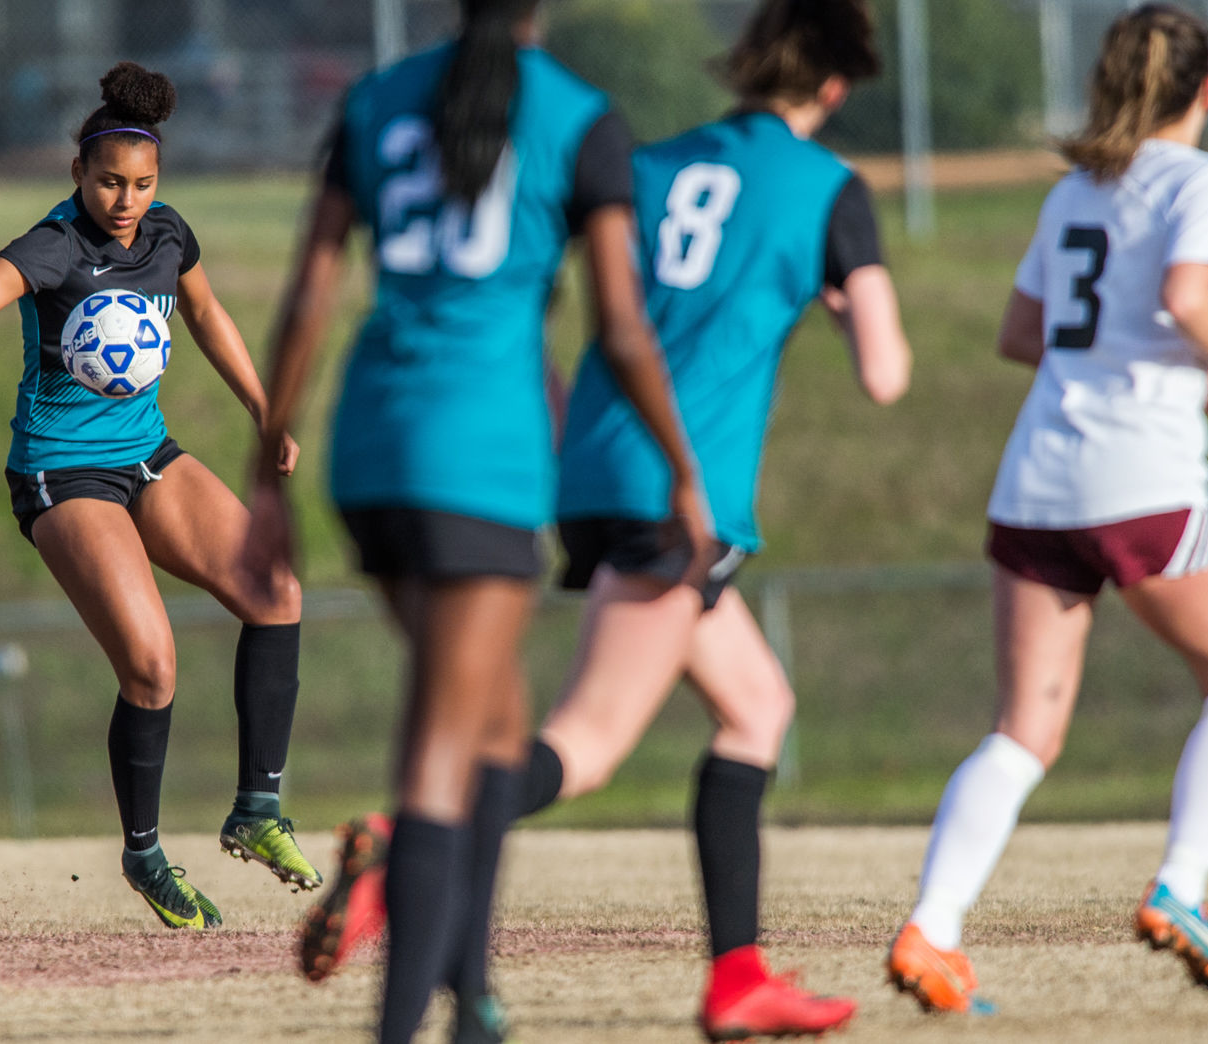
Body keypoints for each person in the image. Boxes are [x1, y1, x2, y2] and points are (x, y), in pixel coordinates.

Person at [291, 1, 912, 1040]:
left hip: (581, 457)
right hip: (678, 488)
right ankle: (405, 851)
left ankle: (738, 976)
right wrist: (841, 301)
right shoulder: (829, 191)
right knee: (583, 740)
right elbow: (887, 377)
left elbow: (592, 289)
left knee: (756, 705)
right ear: (837, 87)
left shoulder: (660, 158)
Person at [248, 2, 712, 1041]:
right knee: (441, 752)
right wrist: (683, 473)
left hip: (369, 447)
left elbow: (310, 295)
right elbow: (623, 328)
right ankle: (410, 1025)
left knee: (496, 718)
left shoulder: (373, 101)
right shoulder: (580, 117)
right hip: (480, 458)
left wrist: (265, 475)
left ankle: (474, 999)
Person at [886, 3, 1208, 1014]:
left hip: (1038, 480)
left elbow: (1025, 334)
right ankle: (1180, 890)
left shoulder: (1076, 190)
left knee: (1021, 733)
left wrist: (1168, 357)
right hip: (1139, 478)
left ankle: (932, 929)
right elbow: (1189, 300)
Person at [0, 61, 321, 931]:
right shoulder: (52, 246)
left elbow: (207, 315)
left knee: (277, 590)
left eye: (141, 183)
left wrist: (265, 410)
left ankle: (257, 810)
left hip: (147, 454)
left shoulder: (169, 235)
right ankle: (144, 856)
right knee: (152, 662)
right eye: (109, 182)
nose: (126, 199)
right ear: (77, 174)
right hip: (62, 474)